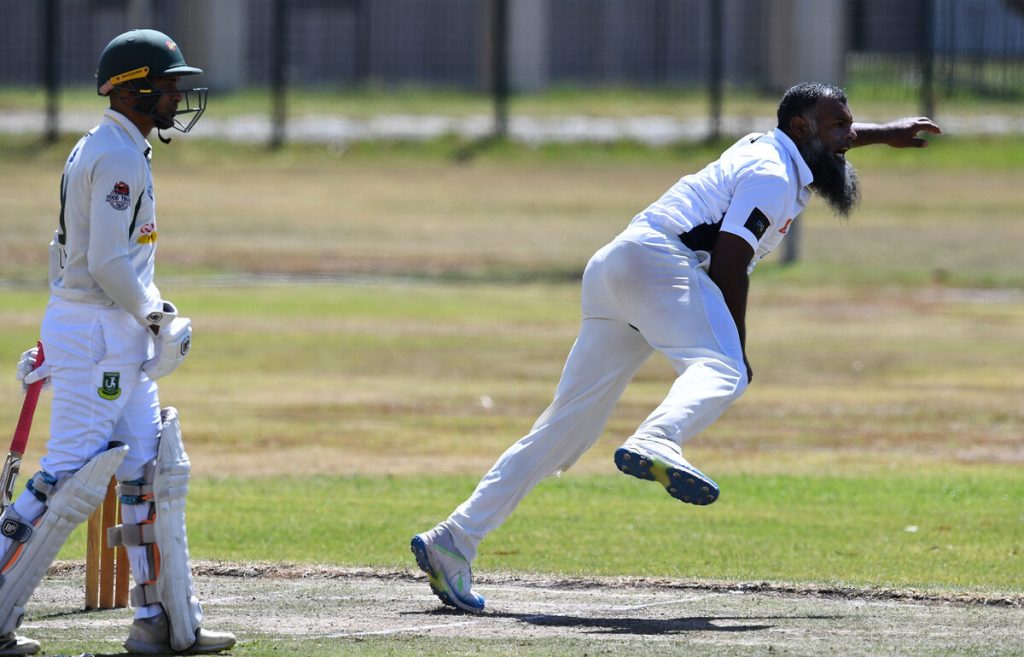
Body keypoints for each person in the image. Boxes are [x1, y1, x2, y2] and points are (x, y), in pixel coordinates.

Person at [411, 82, 942, 612]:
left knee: (565, 430)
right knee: (723, 368)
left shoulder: (778, 148)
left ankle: (453, 540)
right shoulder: (773, 175)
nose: (849, 135)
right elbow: (730, 264)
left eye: (851, 125)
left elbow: (826, 140)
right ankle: (658, 438)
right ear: (801, 129)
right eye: (839, 125)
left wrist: (886, 132)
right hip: (659, 264)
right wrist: (736, 349)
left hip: (616, 267)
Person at [1, 29, 235, 655]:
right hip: (99, 330)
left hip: (106, 327)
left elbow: (82, 257)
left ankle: (164, 622)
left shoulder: (112, 145)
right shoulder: (117, 156)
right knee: (70, 475)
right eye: (168, 85)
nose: (178, 96)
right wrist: (155, 316)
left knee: (152, 471)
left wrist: (147, 316)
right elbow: (105, 262)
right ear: (134, 90)